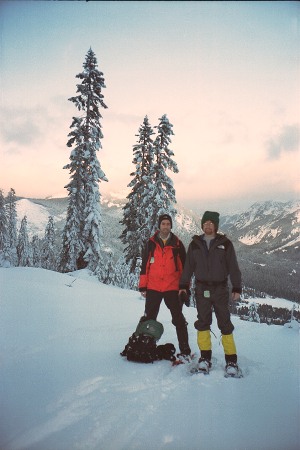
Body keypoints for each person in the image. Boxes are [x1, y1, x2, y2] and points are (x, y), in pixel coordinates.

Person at [179, 210, 242, 376]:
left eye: (211, 223)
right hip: (201, 289)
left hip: (220, 289)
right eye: (205, 223)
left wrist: (236, 287)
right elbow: (188, 268)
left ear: (216, 225)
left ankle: (231, 361)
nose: (208, 225)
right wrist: (183, 285)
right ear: (202, 225)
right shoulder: (195, 244)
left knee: (225, 323)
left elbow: (233, 267)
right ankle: (205, 358)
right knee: (203, 323)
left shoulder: (225, 244)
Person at [139, 213, 191, 360]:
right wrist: (143, 286)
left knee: (178, 319)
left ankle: (185, 351)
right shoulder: (151, 243)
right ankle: (145, 347)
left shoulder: (177, 244)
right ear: (159, 225)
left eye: (168, 224)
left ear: (171, 226)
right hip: (153, 287)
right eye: (163, 224)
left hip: (172, 288)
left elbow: (185, 269)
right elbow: (145, 266)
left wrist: (184, 287)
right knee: (149, 319)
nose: (165, 226)